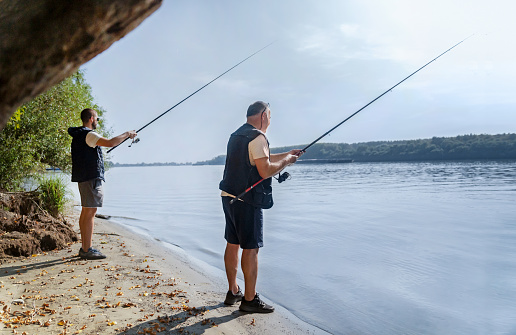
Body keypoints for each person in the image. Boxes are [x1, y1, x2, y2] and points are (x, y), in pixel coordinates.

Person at [219, 101, 303, 313]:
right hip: (247, 201)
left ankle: (233, 291)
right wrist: (286, 163)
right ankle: (249, 299)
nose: (270, 122)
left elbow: (259, 160)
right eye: (270, 117)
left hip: (228, 197)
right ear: (264, 115)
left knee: (232, 243)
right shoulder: (258, 137)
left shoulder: (236, 135)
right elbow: (265, 170)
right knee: (251, 248)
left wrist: (286, 156)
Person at [68, 108, 137, 260]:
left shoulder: (80, 135)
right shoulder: (89, 134)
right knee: (90, 212)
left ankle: (85, 247)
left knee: (86, 211)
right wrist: (127, 133)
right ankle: (87, 249)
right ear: (91, 118)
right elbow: (111, 142)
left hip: (84, 178)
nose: (98, 121)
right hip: (91, 178)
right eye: (97, 119)